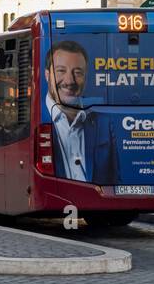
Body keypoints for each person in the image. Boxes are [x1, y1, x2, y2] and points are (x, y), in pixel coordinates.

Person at [44, 40, 117, 184]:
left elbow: (114, 180)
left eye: (77, 72)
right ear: (47, 76)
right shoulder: (35, 119)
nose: (69, 81)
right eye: (61, 71)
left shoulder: (104, 123)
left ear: (86, 77)